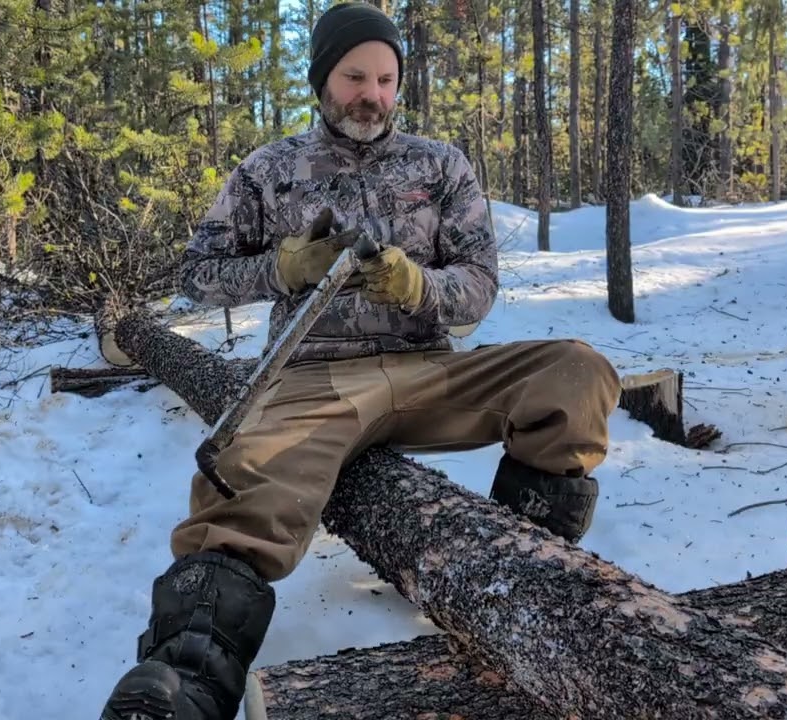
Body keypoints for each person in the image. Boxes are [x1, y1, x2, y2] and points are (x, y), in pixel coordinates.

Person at [98, 3, 622, 719]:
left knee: (576, 372)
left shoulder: (441, 166)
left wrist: (419, 286)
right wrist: (284, 268)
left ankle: (517, 573)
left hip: (430, 372)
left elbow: (479, 287)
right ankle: (187, 679)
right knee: (245, 491)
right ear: (322, 78)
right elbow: (197, 273)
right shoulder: (269, 169)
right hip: (314, 377)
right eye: (354, 76)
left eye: (385, 78)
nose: (371, 94)